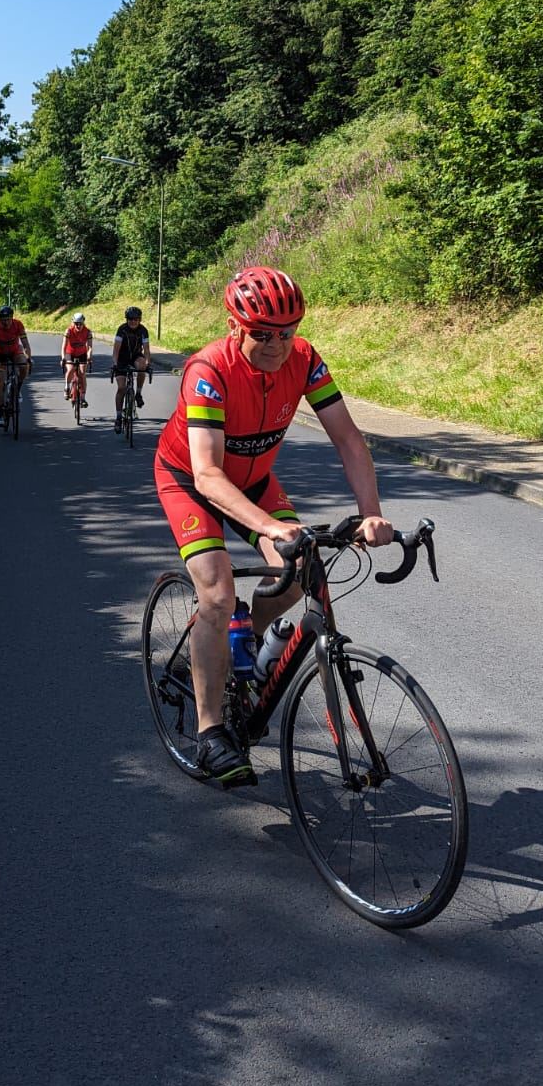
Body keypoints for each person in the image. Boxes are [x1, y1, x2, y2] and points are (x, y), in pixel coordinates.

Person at [154, 266, 393, 783]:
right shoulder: (208, 370)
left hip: (255, 480)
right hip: (189, 480)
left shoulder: (304, 360)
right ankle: (211, 731)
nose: (277, 345)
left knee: (300, 574)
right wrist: (270, 528)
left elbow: (349, 440)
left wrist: (371, 511)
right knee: (217, 594)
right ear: (234, 326)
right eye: (262, 334)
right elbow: (208, 474)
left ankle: (248, 652)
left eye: (287, 332)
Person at [0, 305, 32, 427]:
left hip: (14, 351)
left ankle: (18, 389)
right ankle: (0, 415)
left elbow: (25, 344)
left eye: (8, 319)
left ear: (12, 317)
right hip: (0, 354)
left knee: (24, 365)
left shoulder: (18, 324)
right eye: (3, 320)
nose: (6, 322)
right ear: (0, 319)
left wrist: (28, 357)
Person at [111, 306, 151, 434]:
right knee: (121, 388)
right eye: (130, 319)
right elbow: (116, 349)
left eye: (136, 319)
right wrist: (115, 364)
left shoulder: (143, 330)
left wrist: (148, 363)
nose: (133, 321)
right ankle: (118, 418)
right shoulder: (122, 329)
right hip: (122, 358)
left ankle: (138, 393)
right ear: (127, 319)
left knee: (142, 366)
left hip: (135, 356)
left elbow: (146, 350)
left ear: (139, 320)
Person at [61, 313, 93, 406]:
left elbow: (90, 347)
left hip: (82, 354)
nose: (78, 326)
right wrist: (63, 357)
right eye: (76, 324)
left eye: (80, 324)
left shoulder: (88, 332)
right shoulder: (69, 331)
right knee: (71, 369)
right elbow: (64, 346)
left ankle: (83, 398)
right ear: (73, 323)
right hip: (70, 353)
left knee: (82, 373)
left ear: (83, 323)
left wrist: (89, 356)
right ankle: (67, 387)